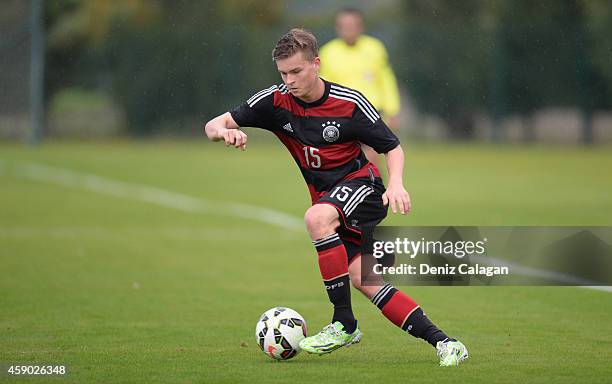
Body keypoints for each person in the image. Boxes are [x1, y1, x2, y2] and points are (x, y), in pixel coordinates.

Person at [204, 28, 468, 366]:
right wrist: (224, 132)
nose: (290, 80)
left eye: (296, 71)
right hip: (330, 198)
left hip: (364, 187)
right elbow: (212, 124)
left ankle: (344, 323)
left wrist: (397, 184)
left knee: (316, 219)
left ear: (316, 64)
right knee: (364, 279)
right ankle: (447, 343)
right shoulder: (275, 101)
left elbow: (392, 146)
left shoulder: (349, 103)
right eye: (283, 73)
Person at [319, 8, 401, 167]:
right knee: (343, 162)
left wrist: (393, 109)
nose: (348, 30)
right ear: (338, 28)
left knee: (371, 158)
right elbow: (323, 86)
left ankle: (375, 189)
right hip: (339, 113)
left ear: (361, 27)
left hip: (369, 111)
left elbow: (386, 79)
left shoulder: (375, 48)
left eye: (352, 25)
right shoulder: (328, 53)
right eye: (344, 26)